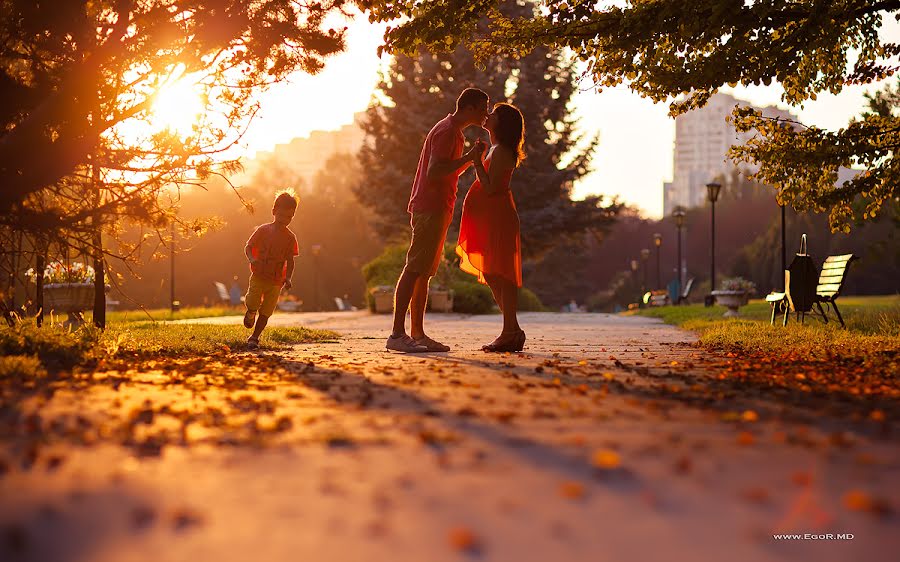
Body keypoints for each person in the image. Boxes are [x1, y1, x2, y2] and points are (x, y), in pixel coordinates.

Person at [386, 88, 490, 353]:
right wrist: (468, 158)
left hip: (438, 207)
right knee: (414, 268)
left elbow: (447, 169)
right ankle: (397, 334)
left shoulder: (453, 132)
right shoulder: (447, 132)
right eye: (482, 107)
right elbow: (434, 172)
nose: (485, 113)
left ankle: (418, 335)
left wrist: (470, 159)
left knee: (424, 272)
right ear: (468, 108)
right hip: (429, 207)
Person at [456, 103, 526, 352]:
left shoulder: (501, 151)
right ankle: (513, 330)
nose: (488, 115)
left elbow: (491, 188)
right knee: (492, 272)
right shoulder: (495, 149)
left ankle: (510, 331)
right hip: (490, 218)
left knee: (501, 273)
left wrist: (475, 162)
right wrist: (479, 157)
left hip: (497, 218)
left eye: (494, 114)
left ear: (502, 123)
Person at [243, 191, 299, 350]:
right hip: (259, 275)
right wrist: (252, 259)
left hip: (276, 281)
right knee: (253, 301)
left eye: (289, 217)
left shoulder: (290, 238)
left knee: (266, 311)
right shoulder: (263, 230)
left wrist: (288, 278)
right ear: (274, 211)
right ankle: (251, 311)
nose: (284, 220)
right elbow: (248, 247)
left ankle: (254, 337)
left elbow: (290, 260)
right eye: (281, 216)